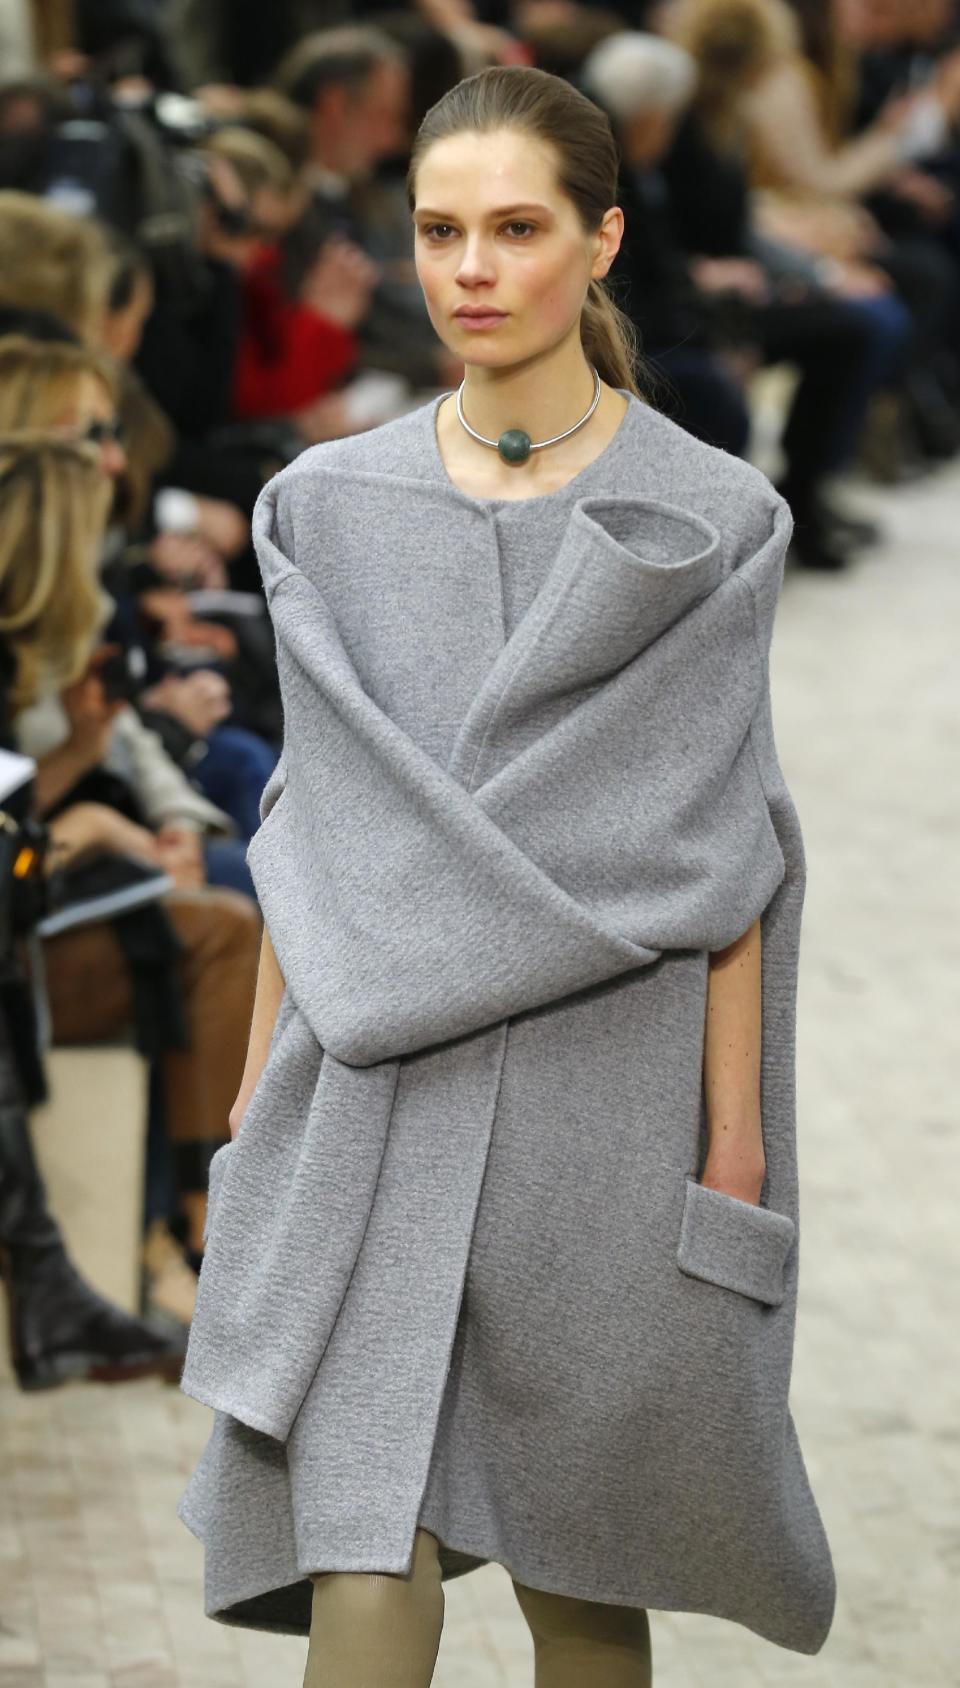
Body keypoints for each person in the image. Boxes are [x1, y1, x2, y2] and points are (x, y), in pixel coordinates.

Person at [178, 63, 835, 1685]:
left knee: (583, 1579)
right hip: (371, 1090)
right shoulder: (322, 508)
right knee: (365, 1560)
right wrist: (260, 1101)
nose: (470, 268)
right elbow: (310, 836)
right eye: (438, 230)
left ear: (604, 241)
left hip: (604, 1095)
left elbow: (729, 847)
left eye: (517, 228)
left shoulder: (713, 518)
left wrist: (734, 1143)